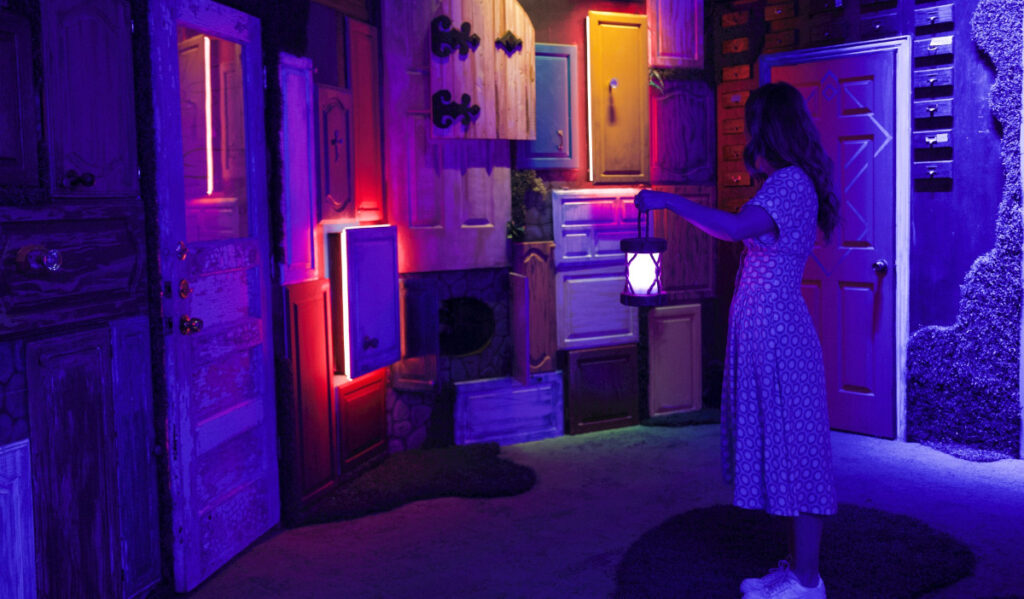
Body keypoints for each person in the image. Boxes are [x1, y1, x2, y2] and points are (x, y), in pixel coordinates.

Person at [634, 81, 839, 599]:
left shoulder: (790, 184)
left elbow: (733, 229)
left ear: (769, 129)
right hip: (766, 331)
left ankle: (810, 583)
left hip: (780, 337)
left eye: (753, 127)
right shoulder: (786, 182)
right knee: (786, 448)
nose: (748, 137)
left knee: (800, 451)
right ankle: (798, 570)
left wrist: (668, 200)